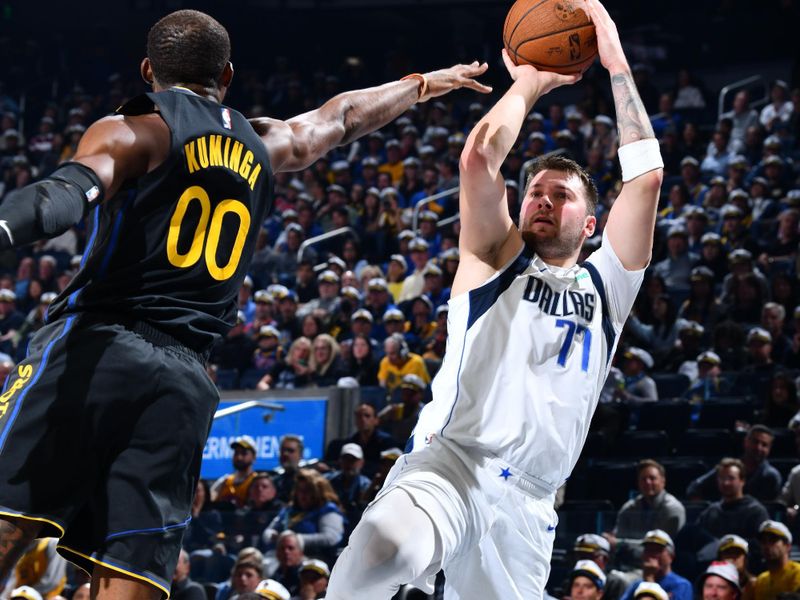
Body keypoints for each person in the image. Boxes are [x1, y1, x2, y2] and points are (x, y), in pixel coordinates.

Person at [0, 10, 491, 600]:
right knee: (130, 579)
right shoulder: (263, 141)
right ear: (227, 76)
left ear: (148, 70)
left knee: (6, 524)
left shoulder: (136, 129)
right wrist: (423, 84)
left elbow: (64, 194)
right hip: (184, 380)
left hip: (99, 347)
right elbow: (342, 118)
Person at [327, 1, 664, 596]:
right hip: (452, 462)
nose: (542, 200)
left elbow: (646, 180)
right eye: (535, 191)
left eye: (561, 195)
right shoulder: (493, 257)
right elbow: (480, 157)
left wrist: (614, 61)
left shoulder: (608, 287)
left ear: (591, 226)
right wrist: (529, 83)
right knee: (380, 550)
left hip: (530, 507)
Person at [619, 531, 692, 600]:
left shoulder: (681, 585)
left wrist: (649, 579)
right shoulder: (637, 584)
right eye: (648, 550)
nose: (651, 555)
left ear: (671, 557)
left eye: (657, 550)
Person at [749, 520, 800, 600]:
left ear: (787, 546)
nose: (767, 545)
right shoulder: (761, 580)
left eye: (773, 540)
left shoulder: (797, 572)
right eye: (763, 541)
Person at [210, 435, 259, 508]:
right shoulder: (224, 481)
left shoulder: (257, 483)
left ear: (254, 457)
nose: (239, 457)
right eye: (236, 453)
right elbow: (210, 502)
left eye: (244, 453)